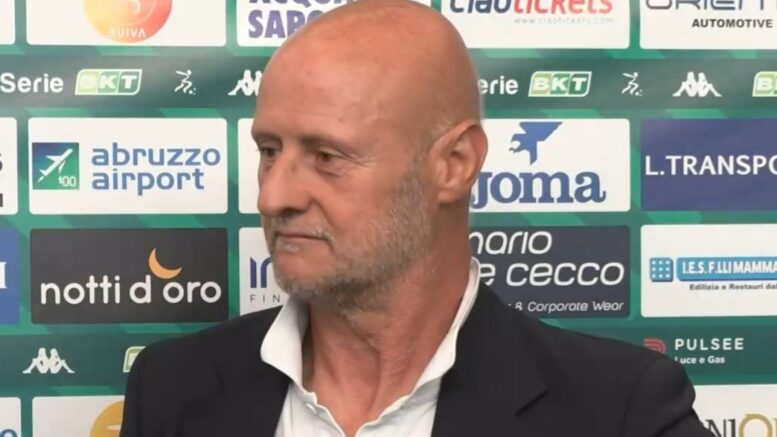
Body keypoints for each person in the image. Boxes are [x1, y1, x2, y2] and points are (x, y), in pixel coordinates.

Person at [120, 1, 713, 436]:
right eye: (269, 151)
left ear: (455, 165)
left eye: (327, 157)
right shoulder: (171, 389)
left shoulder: (619, 412)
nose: (274, 196)